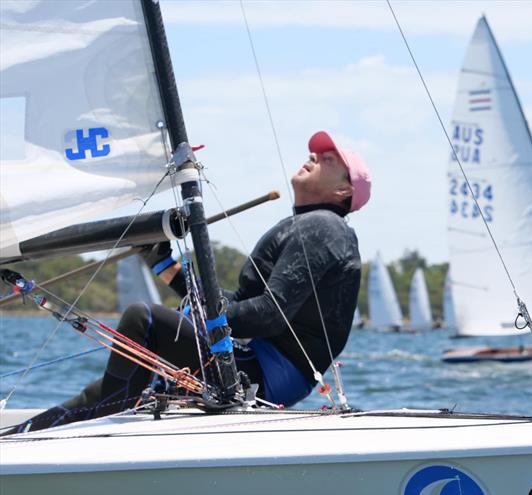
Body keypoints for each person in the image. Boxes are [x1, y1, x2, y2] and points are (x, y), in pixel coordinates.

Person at [5, 131, 370, 434]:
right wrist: (167, 266)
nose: (313, 154)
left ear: (344, 192)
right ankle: (20, 439)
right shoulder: (308, 225)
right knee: (117, 383)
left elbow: (268, 314)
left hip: (261, 375)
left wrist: (201, 318)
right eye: (316, 152)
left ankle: (100, 426)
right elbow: (234, 303)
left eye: (329, 159)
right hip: (248, 361)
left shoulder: (324, 227)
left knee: (143, 319)